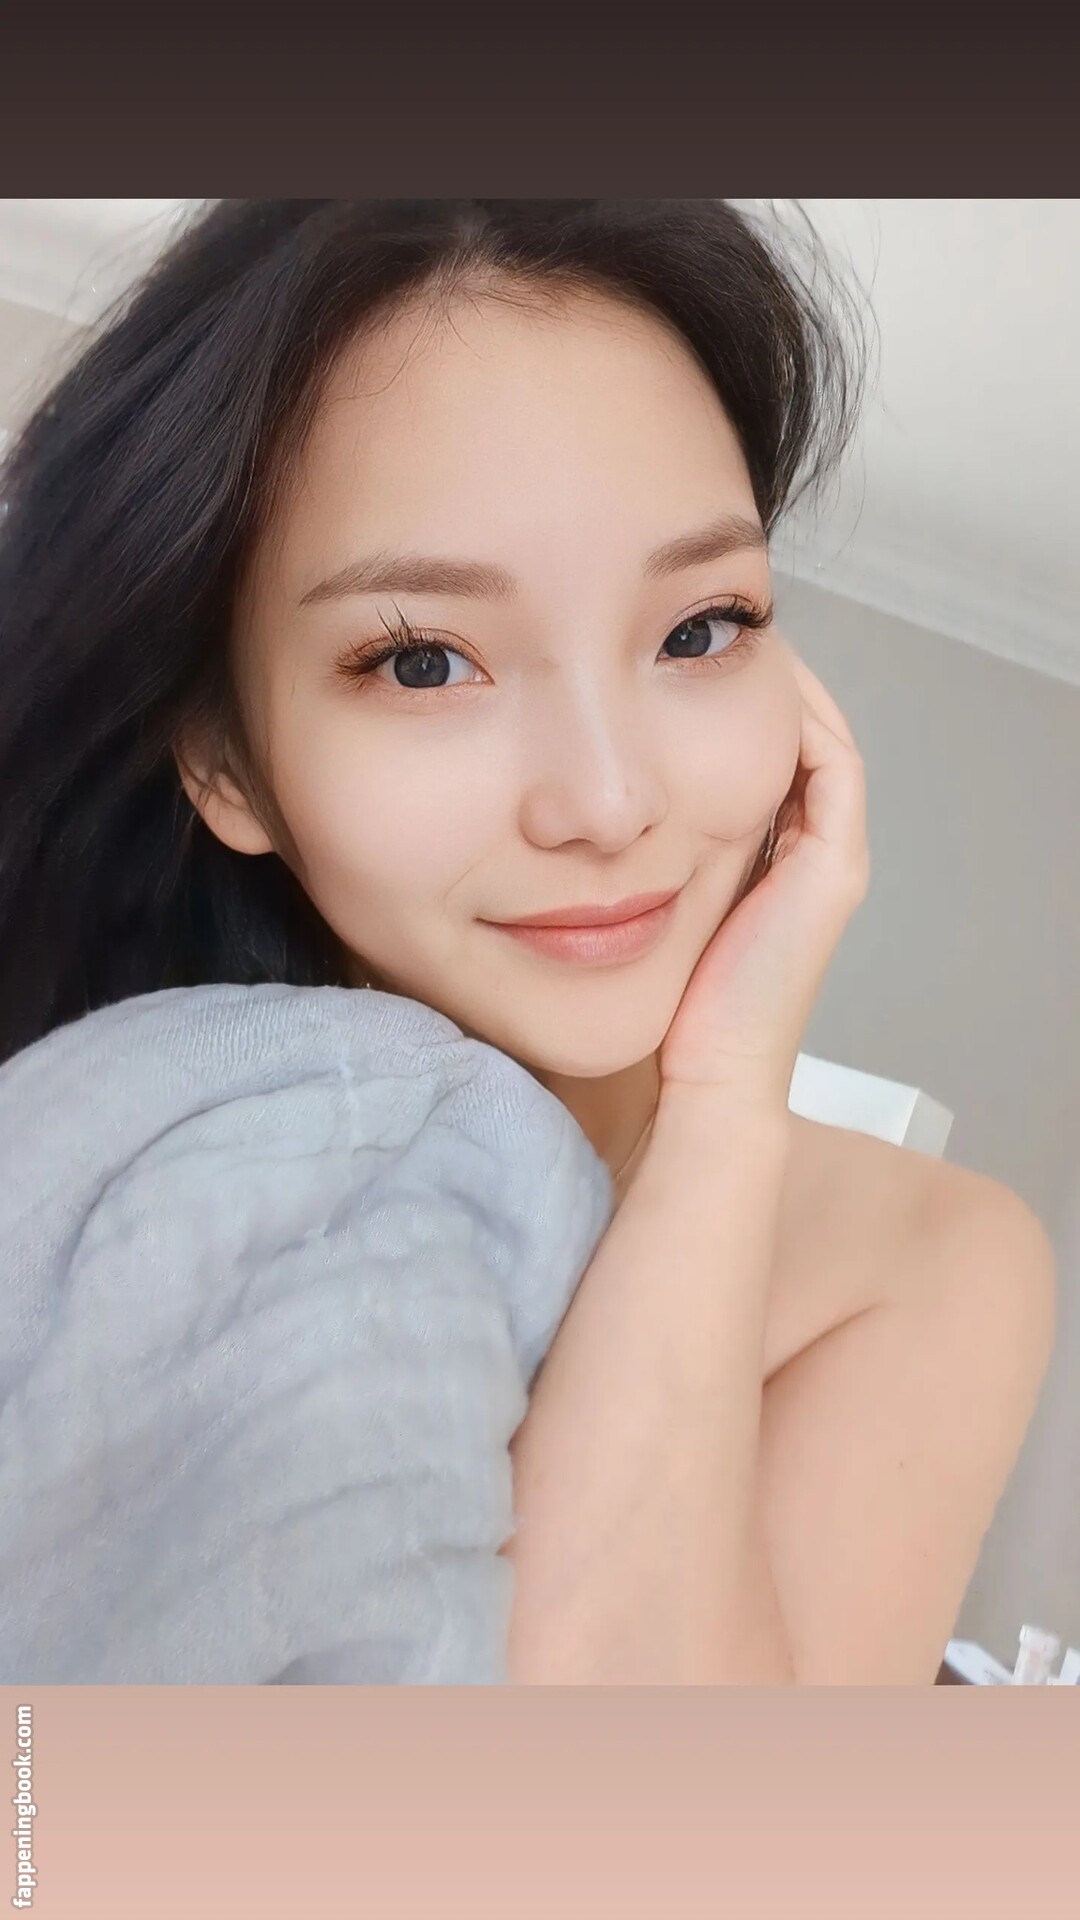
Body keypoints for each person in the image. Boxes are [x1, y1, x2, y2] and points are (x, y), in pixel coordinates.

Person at [0, 199, 1055, 1684]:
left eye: (701, 629)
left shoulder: (929, 1261)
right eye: (426, 660)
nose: (610, 804)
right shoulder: (125, 1187)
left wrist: (724, 1110)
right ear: (226, 760)